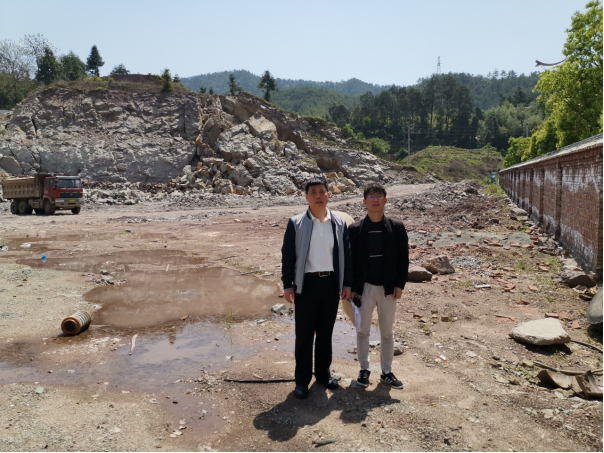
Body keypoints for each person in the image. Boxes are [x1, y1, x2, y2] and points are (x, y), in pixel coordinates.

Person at [281, 177, 353, 399]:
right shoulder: (296, 223)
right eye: (313, 192)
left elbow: (347, 256)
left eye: (322, 191)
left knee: (325, 333)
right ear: (306, 197)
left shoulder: (338, 224)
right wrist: (287, 285)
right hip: (306, 285)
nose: (318, 196)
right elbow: (288, 255)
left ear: (329, 195)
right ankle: (302, 381)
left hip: (330, 284)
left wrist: (347, 283)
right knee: (304, 335)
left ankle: (323, 375)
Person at [348, 182, 409, 389]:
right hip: (363, 288)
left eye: (379, 196)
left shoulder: (396, 227)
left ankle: (386, 372)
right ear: (364, 201)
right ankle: (364, 369)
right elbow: (349, 261)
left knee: (387, 332)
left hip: (388, 288)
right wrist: (351, 287)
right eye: (371, 196)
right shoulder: (355, 229)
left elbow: (403, 258)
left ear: (386, 200)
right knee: (362, 331)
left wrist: (399, 284)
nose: (375, 199)